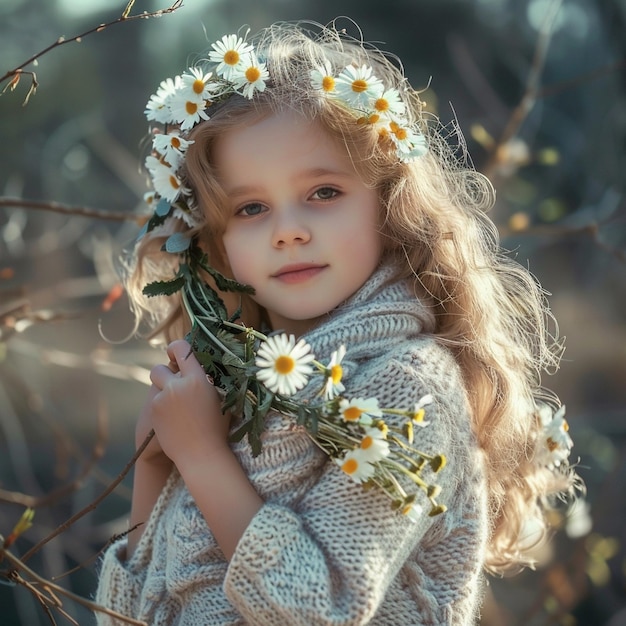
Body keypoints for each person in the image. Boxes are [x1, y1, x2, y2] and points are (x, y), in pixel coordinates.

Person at [94, 20, 579, 625]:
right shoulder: (233, 387)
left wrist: (202, 457)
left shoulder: (407, 383)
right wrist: (155, 463)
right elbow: (132, 618)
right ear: (216, 244)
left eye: (323, 192)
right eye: (251, 208)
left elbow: (321, 609)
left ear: (390, 206)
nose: (288, 230)